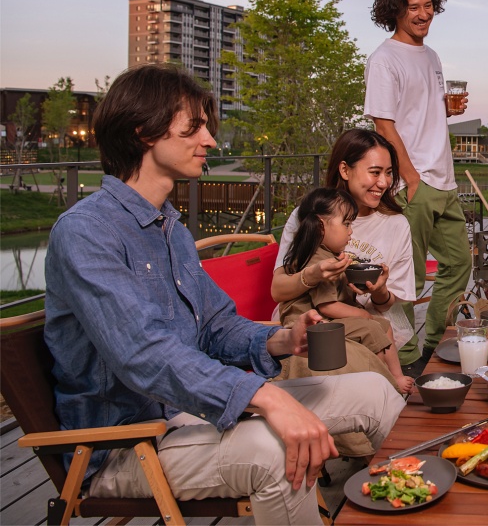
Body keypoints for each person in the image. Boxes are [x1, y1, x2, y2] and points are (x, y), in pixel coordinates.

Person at [44, 64, 404, 524]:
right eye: (193, 126)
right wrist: (268, 397)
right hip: (130, 444)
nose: (210, 140)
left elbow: (214, 325)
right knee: (275, 449)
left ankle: (412, 500)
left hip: (199, 413)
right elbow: (143, 354)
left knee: (374, 391)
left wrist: (278, 339)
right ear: (143, 132)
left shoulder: (169, 228)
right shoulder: (86, 232)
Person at [365, 0, 472, 376]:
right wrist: (410, 177)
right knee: (405, 277)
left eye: (428, 5)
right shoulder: (384, 60)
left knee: (459, 263)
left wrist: (447, 108)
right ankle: (405, 362)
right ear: (395, 10)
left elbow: (421, 108)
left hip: (444, 180)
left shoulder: (431, 56)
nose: (423, 13)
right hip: (416, 181)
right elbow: (384, 124)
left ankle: (432, 344)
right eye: (414, 7)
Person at [272, 129, 418, 365]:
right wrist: (313, 275)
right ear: (344, 170)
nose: (383, 183)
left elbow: (388, 303)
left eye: (389, 173)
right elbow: (278, 291)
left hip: (368, 326)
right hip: (308, 324)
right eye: (375, 172)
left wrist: (378, 290)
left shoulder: (396, 225)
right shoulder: (309, 216)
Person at [278, 187, 414, 395]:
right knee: (371, 327)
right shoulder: (319, 260)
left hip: (328, 320)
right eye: (347, 224)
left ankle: (394, 376)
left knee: (383, 324)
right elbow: (327, 305)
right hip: (316, 326)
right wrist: (363, 314)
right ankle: (384, 384)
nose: (351, 231)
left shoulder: (328, 254)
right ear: (321, 226)